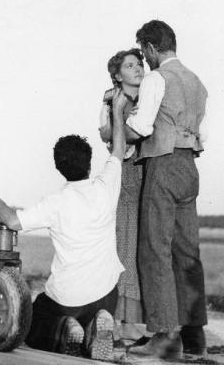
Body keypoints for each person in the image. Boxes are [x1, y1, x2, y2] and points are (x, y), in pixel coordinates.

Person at [0, 89, 128, 361]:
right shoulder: (106, 186)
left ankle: (64, 329)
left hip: (67, 299)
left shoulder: (55, 202)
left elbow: (13, 221)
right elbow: (118, 149)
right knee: (92, 311)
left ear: (59, 167)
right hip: (107, 294)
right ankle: (97, 323)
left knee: (35, 321)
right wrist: (117, 111)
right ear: (89, 162)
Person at [125, 20, 208, 360]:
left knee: (154, 249)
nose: (144, 59)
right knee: (187, 252)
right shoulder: (197, 82)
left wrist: (120, 122)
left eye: (144, 52)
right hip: (190, 166)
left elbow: (141, 126)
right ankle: (194, 338)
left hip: (162, 163)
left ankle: (164, 335)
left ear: (151, 48)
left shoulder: (157, 78)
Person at [99, 49, 146, 342]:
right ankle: (118, 319)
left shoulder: (148, 97)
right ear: (118, 75)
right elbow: (106, 132)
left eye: (139, 63)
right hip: (126, 172)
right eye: (130, 65)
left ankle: (131, 319)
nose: (138, 68)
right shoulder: (111, 99)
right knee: (124, 245)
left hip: (145, 175)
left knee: (138, 247)